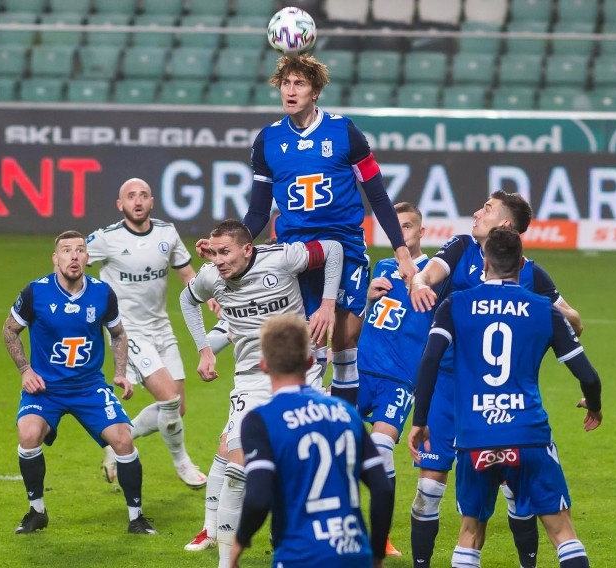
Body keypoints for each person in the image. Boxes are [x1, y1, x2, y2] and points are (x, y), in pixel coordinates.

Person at [408, 226, 603, 568]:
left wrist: (420, 422)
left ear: (484, 264)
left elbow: (429, 361)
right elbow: (588, 375)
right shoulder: (544, 310)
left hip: (474, 438)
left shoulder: (455, 305)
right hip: (528, 436)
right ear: (522, 263)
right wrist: (594, 406)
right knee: (562, 533)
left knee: (470, 534)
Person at [242, 54, 419, 405]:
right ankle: (315, 418)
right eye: (286, 84)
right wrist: (235, 248)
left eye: (300, 84)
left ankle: (345, 425)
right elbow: (259, 211)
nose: (290, 91)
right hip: (298, 255)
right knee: (311, 344)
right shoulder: (268, 141)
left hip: (347, 247)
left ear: (316, 91)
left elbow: (378, 196)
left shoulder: (344, 132)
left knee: (344, 341)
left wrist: (401, 251)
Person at [180, 219, 342, 567]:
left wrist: (327, 304)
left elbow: (333, 249)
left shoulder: (281, 259)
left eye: (225, 252)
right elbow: (186, 298)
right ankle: (227, 562)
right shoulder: (211, 278)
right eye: (214, 253)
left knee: (305, 467)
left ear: (247, 249)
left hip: (302, 374)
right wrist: (203, 349)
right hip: (252, 379)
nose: (218, 260)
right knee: (237, 469)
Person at [2, 230, 156, 535]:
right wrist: (25, 370)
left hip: (89, 387)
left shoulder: (102, 293)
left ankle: (136, 517)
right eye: (67, 250)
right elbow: (9, 330)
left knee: (123, 440)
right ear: (55, 258)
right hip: (46, 389)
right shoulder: (36, 292)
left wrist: (121, 372)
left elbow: (119, 333)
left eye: (80, 250)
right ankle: (36, 512)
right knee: (28, 433)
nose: (74, 256)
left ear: (88, 257)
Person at [230, 313, 394, 568]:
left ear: (264, 365)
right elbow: (382, 489)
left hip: (300, 555)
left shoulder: (262, 420)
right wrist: (376, 554)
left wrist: (239, 544)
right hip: (354, 554)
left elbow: (258, 498)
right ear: (309, 362)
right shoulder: (345, 412)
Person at [86, 177, 207, 489]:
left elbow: (186, 273)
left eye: (143, 195)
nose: (137, 201)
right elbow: (71, 262)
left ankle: (118, 441)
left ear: (152, 202)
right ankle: (183, 463)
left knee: (177, 407)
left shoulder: (167, 232)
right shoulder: (106, 238)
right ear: (120, 205)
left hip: (161, 328)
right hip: (129, 333)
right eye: (130, 196)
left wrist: (212, 297)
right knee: (168, 399)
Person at [357, 202, 435, 558]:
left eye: (407, 226)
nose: (401, 233)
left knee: (382, 449)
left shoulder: (436, 274)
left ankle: (382, 536)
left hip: (399, 379)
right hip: (358, 372)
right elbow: (365, 319)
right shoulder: (382, 268)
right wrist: (366, 299)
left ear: (421, 232)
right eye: (395, 227)